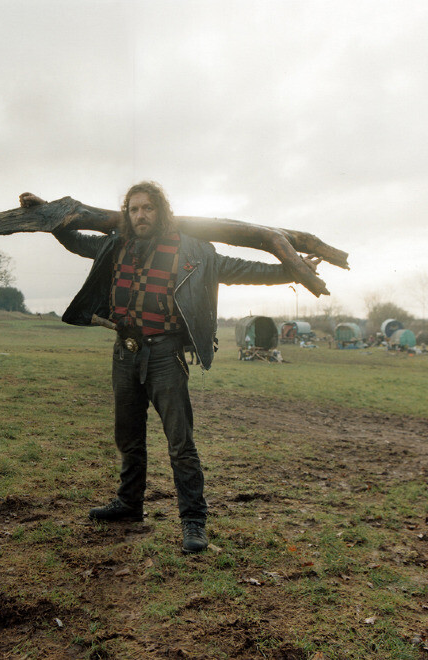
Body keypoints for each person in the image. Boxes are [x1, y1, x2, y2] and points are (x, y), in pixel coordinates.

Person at [20, 181, 313, 553]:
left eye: (148, 208)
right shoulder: (114, 245)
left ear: (162, 211)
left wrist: (295, 268)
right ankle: (129, 504)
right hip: (124, 352)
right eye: (134, 209)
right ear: (127, 214)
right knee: (128, 436)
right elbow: (73, 238)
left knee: (181, 443)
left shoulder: (191, 250)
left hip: (165, 356)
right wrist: (45, 210)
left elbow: (244, 268)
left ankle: (194, 521)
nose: (140, 215)